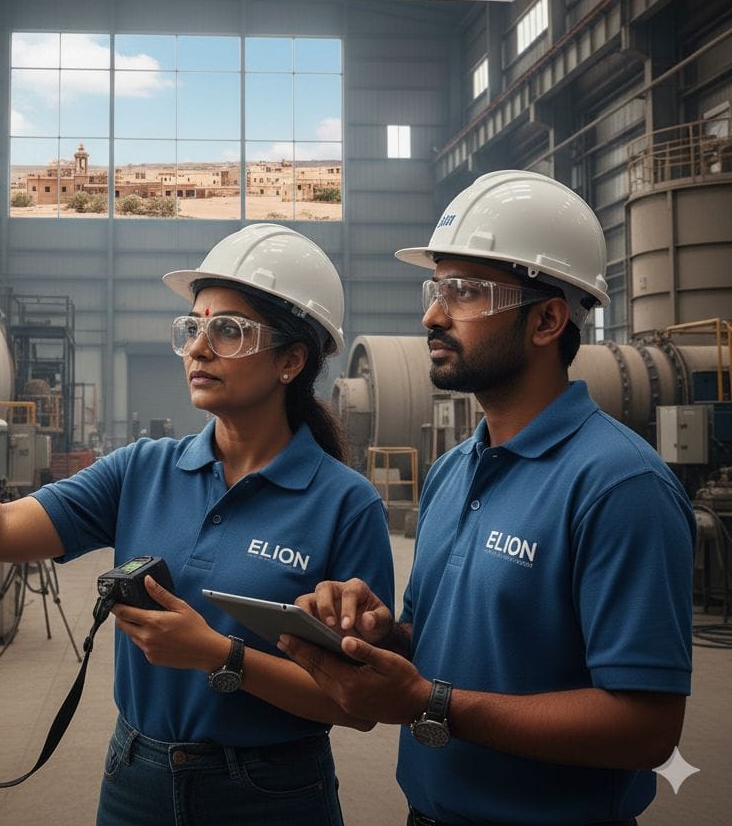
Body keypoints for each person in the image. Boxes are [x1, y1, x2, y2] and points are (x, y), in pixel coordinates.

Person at [0, 222, 394, 826]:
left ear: (292, 360)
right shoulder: (143, 470)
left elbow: (355, 704)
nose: (198, 347)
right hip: (135, 778)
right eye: (193, 327)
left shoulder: (345, 504)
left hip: (270, 791)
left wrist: (218, 655)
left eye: (228, 330)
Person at [278, 171, 695, 826]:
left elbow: (646, 728)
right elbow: (430, 642)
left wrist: (428, 702)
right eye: (436, 288)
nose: (432, 314)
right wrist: (375, 634)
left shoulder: (619, 486)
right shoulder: (450, 472)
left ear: (548, 319)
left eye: (464, 292)